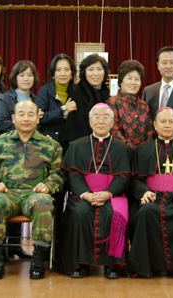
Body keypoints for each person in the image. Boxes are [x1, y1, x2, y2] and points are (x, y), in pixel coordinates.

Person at [0, 100, 64, 280]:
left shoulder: (51, 146)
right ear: (13, 118)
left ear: (38, 118)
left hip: (34, 194)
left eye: (30, 114)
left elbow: (59, 173)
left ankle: (38, 259)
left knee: (43, 202)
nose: (26, 118)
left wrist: (48, 185)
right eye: (21, 114)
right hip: (7, 194)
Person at [128, 107, 173, 279]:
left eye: (171, 122)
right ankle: (147, 266)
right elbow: (135, 179)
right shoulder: (142, 150)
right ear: (155, 125)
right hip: (153, 196)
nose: (167, 125)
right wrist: (143, 192)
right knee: (147, 211)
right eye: (163, 121)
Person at [59, 103, 133, 279]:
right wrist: (86, 194)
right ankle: (80, 264)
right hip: (83, 194)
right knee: (80, 212)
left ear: (112, 122)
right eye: (96, 117)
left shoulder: (122, 147)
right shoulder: (77, 145)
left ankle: (111, 265)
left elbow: (124, 176)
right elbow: (73, 173)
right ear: (90, 122)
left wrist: (108, 193)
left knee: (113, 214)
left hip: (112, 195)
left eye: (105, 117)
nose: (101, 121)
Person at [59, 54, 110, 152]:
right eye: (91, 69)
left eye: (99, 69)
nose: (95, 74)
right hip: (82, 149)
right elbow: (71, 131)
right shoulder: (76, 94)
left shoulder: (108, 95)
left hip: (105, 148)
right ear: (84, 72)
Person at [106, 60, 154, 149]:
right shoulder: (112, 102)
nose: (133, 82)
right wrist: (133, 149)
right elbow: (113, 131)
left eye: (137, 79)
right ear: (121, 80)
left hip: (143, 155)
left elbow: (150, 132)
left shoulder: (144, 105)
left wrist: (144, 149)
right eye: (129, 78)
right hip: (121, 154)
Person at [35, 54, 77, 141]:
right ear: (53, 72)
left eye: (67, 69)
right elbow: (39, 118)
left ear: (72, 72)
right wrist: (63, 110)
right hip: (48, 141)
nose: (63, 74)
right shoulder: (45, 91)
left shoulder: (76, 92)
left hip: (70, 143)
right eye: (58, 70)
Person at [0, 60, 39, 134]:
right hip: (10, 141)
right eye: (21, 75)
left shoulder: (37, 100)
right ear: (15, 78)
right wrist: (25, 126)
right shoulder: (4, 98)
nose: (26, 79)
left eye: (29, 75)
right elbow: (1, 123)